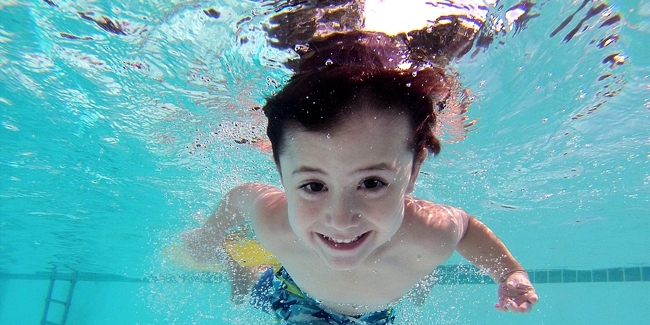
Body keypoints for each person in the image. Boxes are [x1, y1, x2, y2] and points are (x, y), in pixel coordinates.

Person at [180, 31, 538, 323]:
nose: (340, 220)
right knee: (264, 293)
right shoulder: (275, 223)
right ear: (281, 174)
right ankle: (244, 272)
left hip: (376, 314)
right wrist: (209, 236)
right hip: (296, 296)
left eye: (371, 183)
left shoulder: (431, 233)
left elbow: (466, 227)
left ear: (412, 172)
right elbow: (242, 196)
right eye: (313, 186)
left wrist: (510, 273)